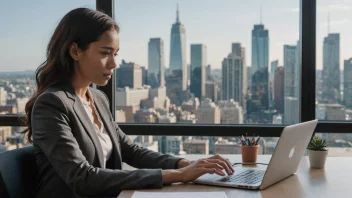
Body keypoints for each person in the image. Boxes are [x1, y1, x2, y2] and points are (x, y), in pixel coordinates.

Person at [22, 8, 234, 198]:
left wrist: (185, 163)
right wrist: (178, 174)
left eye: (115, 54)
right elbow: (82, 178)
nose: (114, 64)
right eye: (105, 53)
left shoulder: (97, 98)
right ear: (75, 51)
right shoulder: (51, 104)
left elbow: (130, 150)